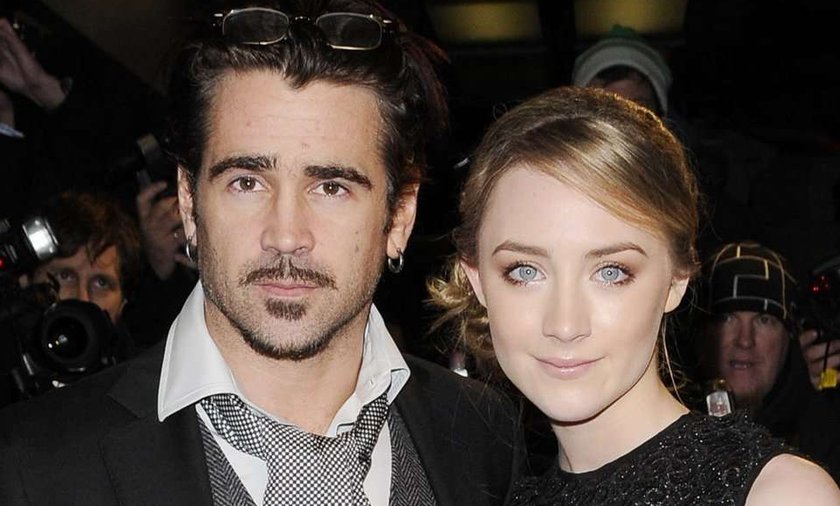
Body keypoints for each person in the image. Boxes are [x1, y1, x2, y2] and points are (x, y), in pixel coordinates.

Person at [0, 1, 523, 504]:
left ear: (399, 217)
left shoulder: (485, 436)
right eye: (247, 182)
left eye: (331, 187)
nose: (286, 235)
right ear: (189, 202)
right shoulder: (31, 464)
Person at [429, 86, 840, 504]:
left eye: (610, 272)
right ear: (476, 279)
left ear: (677, 278)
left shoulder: (779, 494)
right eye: (525, 271)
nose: (565, 324)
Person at [694, 241, 840, 484]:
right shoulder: (659, 432)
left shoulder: (826, 435)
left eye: (764, 320)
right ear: (700, 334)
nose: (745, 340)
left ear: (790, 337)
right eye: (727, 318)